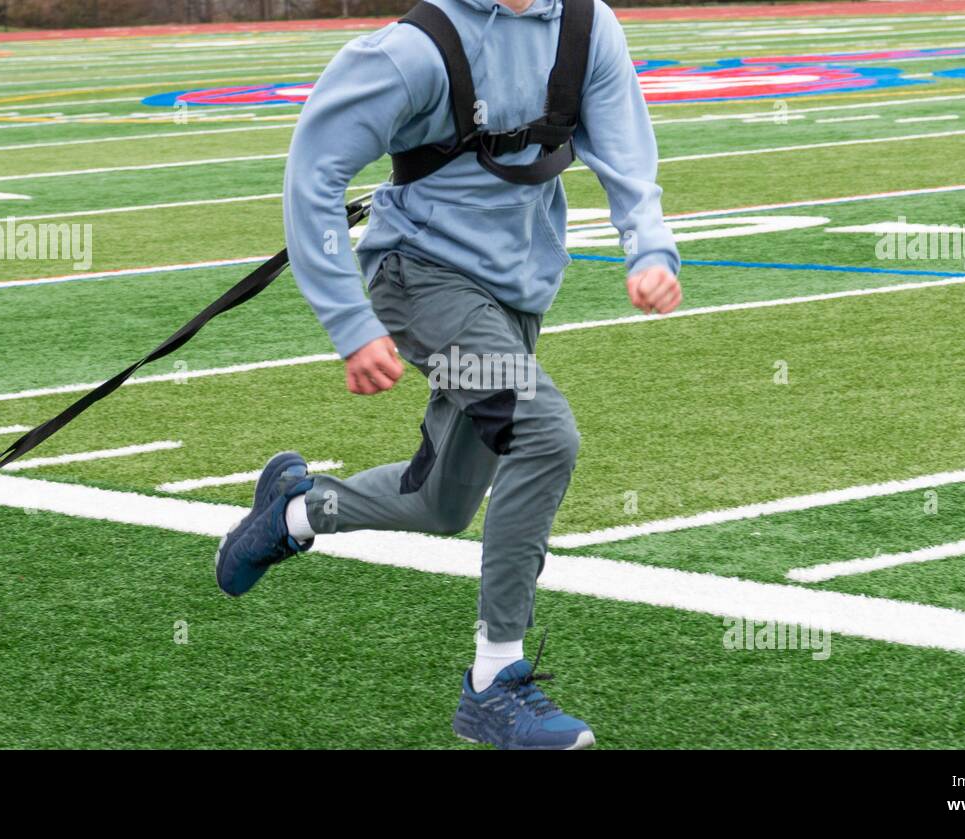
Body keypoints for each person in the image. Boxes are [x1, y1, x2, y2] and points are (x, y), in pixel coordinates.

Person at [215, 0, 680, 750]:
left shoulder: (588, 27)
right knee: (543, 433)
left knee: (439, 504)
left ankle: (293, 512)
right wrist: (350, 319)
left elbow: (626, 150)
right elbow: (315, 166)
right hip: (421, 282)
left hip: (516, 295)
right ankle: (494, 682)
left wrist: (651, 248)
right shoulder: (415, 50)